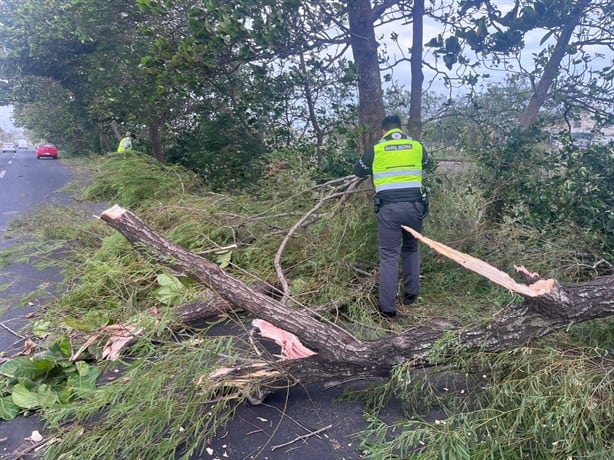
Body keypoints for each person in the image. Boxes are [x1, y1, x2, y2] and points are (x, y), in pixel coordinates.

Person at [354, 115, 429, 318]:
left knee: (389, 256)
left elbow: (358, 171)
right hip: (414, 206)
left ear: (383, 131)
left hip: (389, 209)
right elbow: (428, 163)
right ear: (400, 128)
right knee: (411, 248)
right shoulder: (416, 145)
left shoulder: (377, 149)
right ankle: (411, 294)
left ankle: (387, 308)